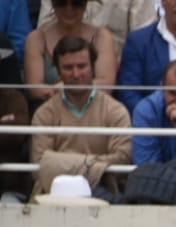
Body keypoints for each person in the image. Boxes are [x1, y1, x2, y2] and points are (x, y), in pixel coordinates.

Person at [29, 38, 132, 199]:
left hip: (103, 194)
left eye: (82, 66)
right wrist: (95, 167)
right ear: (58, 71)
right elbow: (39, 165)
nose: (76, 74)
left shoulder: (115, 111)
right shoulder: (44, 114)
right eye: (68, 68)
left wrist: (60, 163)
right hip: (52, 196)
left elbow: (122, 160)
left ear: (93, 67)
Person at [24, 0, 119, 103]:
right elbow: (34, 88)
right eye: (61, 3)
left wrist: (66, 88)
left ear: (85, 5)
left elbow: (106, 84)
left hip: (94, 108)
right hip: (48, 108)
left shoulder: (101, 37)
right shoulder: (36, 38)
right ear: (52, 4)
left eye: (77, 3)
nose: (69, 9)